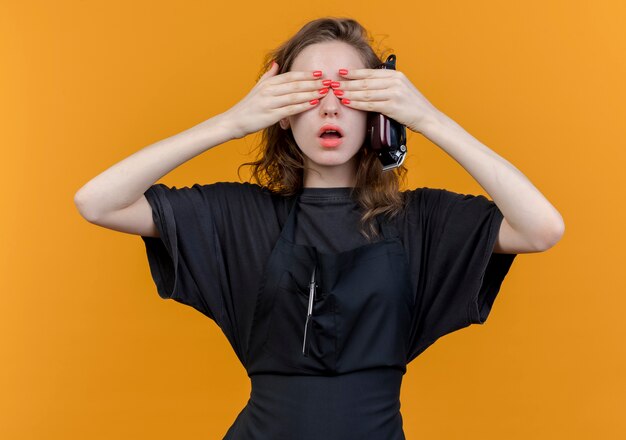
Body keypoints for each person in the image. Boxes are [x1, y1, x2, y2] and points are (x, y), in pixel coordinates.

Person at [74, 16, 564, 440]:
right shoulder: (241, 217)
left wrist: (427, 118)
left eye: (350, 91)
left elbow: (541, 228)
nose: (330, 106)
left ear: (378, 111)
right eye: (309, 91)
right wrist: (231, 122)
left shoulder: (420, 222)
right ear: (283, 115)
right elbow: (97, 202)